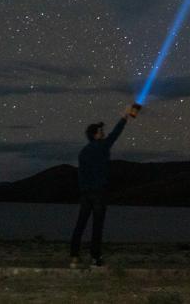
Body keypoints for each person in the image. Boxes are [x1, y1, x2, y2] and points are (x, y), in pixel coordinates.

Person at [69, 103, 140, 268]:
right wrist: (124, 117)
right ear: (95, 135)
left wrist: (83, 189)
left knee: (80, 224)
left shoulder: (82, 152)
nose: (103, 133)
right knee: (97, 226)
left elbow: (81, 175)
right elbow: (116, 133)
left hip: (85, 194)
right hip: (99, 193)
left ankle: (74, 257)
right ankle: (95, 258)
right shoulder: (102, 146)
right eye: (101, 132)